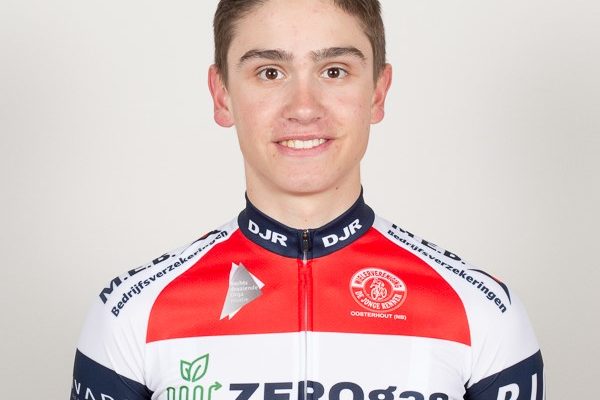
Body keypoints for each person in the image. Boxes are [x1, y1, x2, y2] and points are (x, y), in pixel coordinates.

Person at [70, 1, 544, 399]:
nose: (303, 107)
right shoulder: (132, 315)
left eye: (334, 71)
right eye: (269, 72)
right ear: (222, 95)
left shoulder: (482, 314)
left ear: (377, 93)